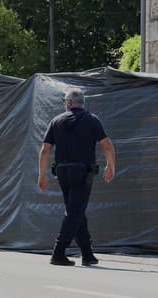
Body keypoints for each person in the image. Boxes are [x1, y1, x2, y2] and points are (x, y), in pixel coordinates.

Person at [37, 87, 116, 267]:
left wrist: (41, 174)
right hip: (82, 172)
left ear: (69, 103)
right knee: (75, 211)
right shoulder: (92, 120)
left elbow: (45, 150)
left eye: (65, 102)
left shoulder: (56, 121)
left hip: (62, 172)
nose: (65, 105)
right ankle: (58, 251)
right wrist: (111, 166)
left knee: (76, 210)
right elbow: (107, 146)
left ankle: (87, 253)